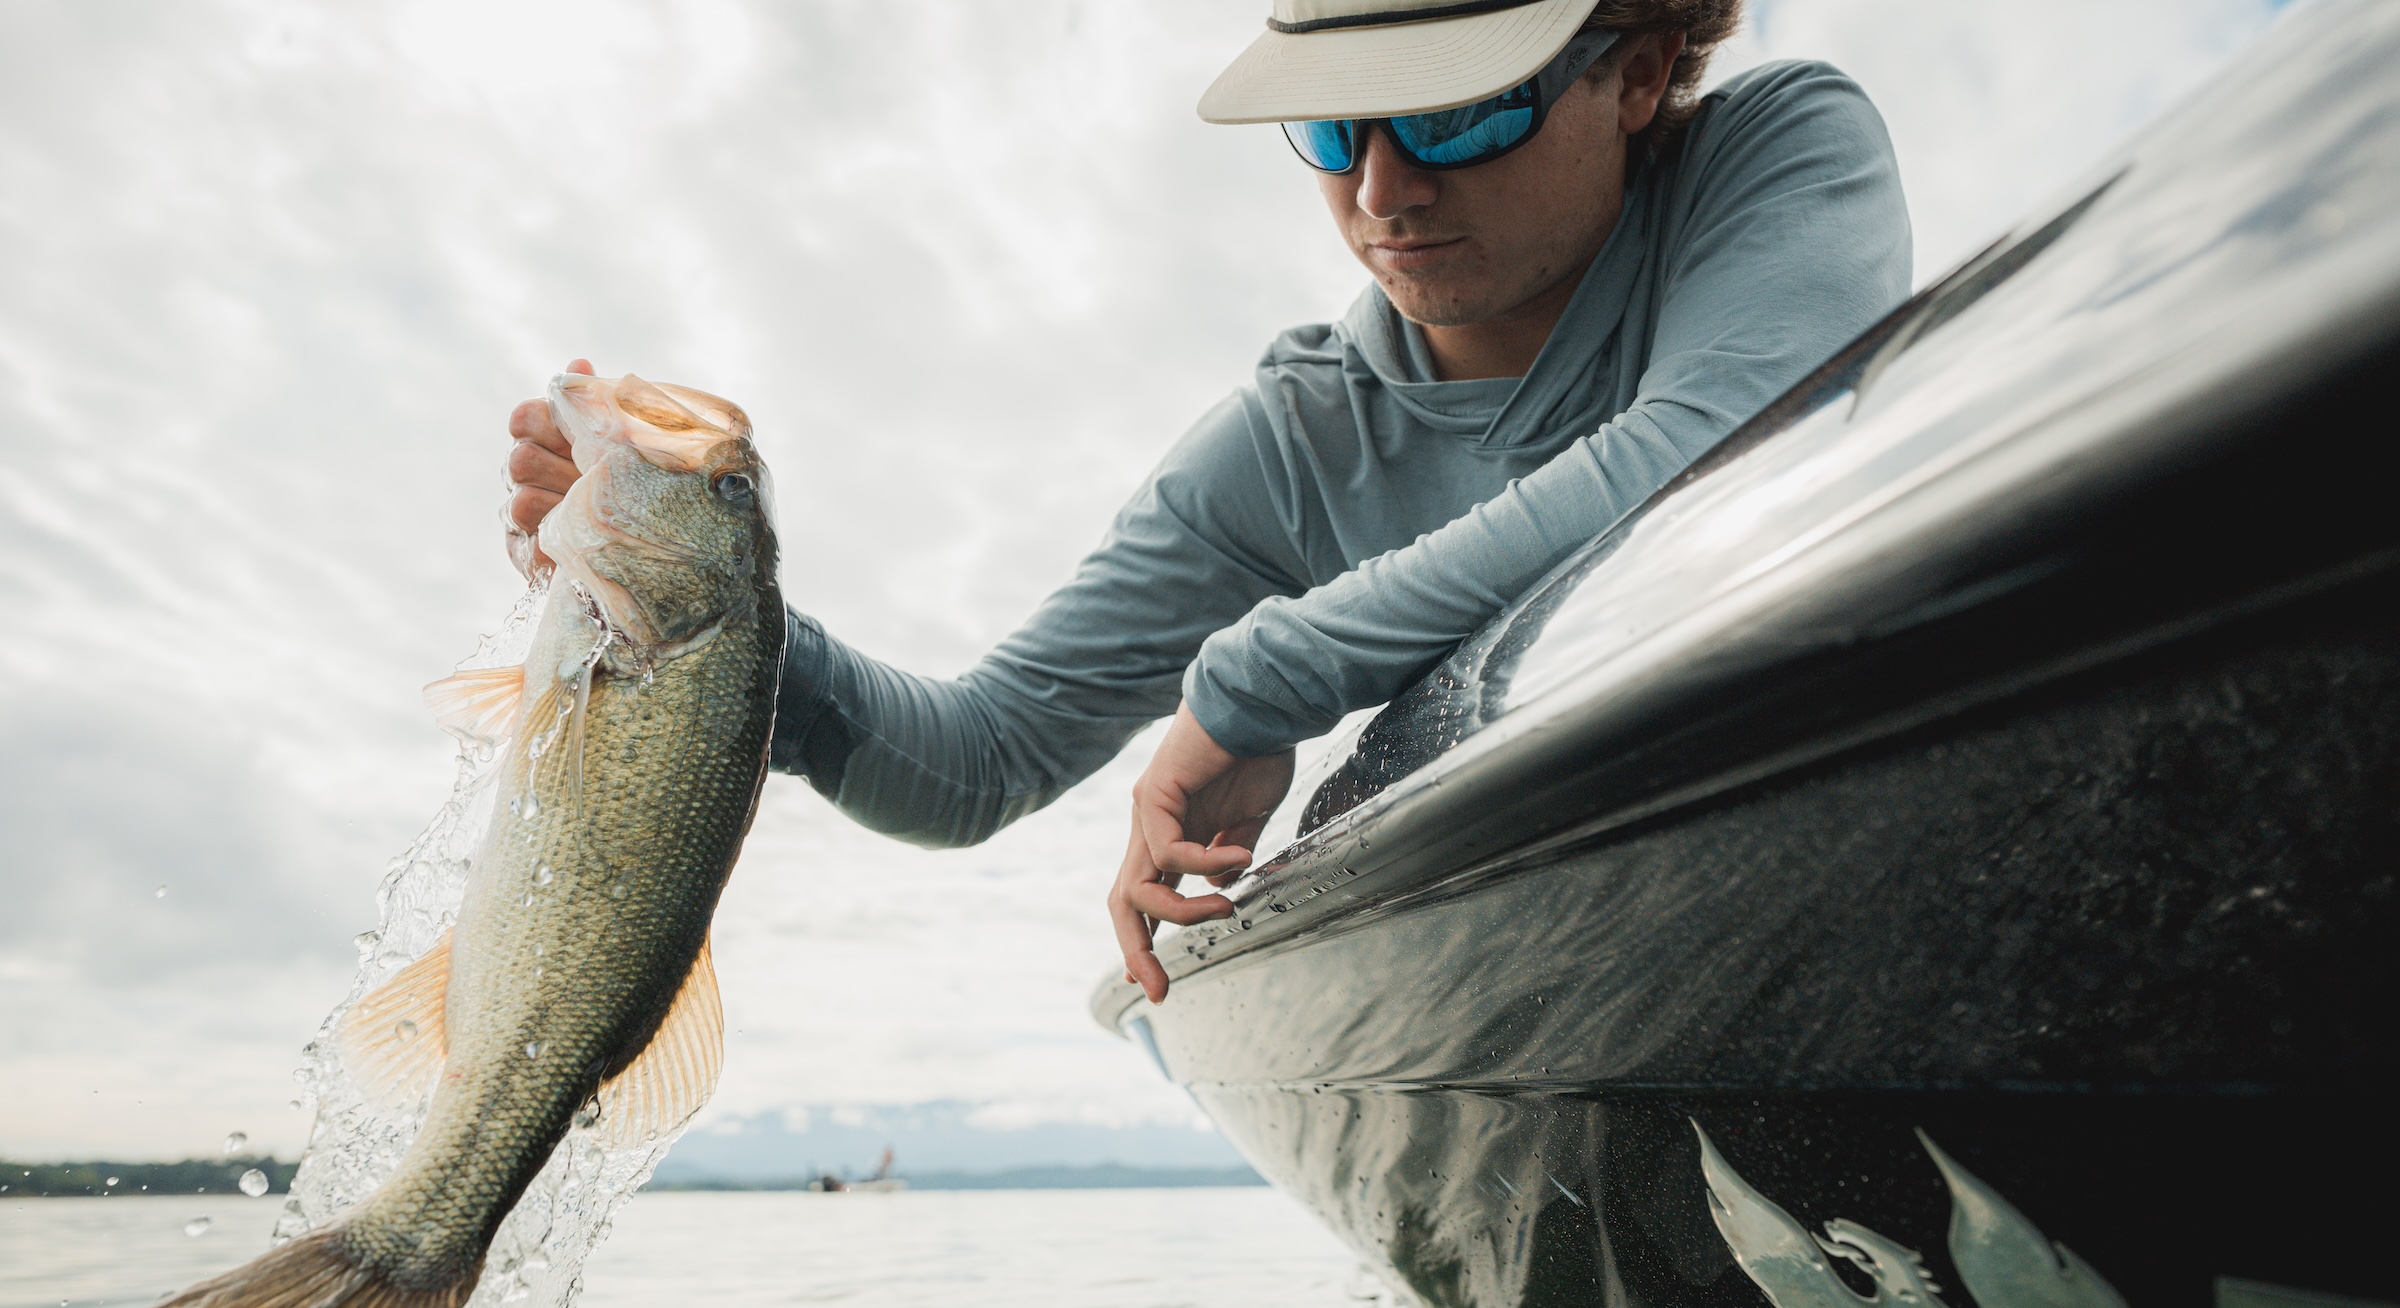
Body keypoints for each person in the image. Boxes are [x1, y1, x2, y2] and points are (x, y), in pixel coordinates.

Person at [503, 0, 1910, 1004]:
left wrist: (1259, 682)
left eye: (1458, 110)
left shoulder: (1773, 148)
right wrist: (698, 601)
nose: (1383, 192)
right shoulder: (1286, 443)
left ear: (1641, 66)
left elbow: (1726, 444)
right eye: (1332, 128)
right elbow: (973, 763)